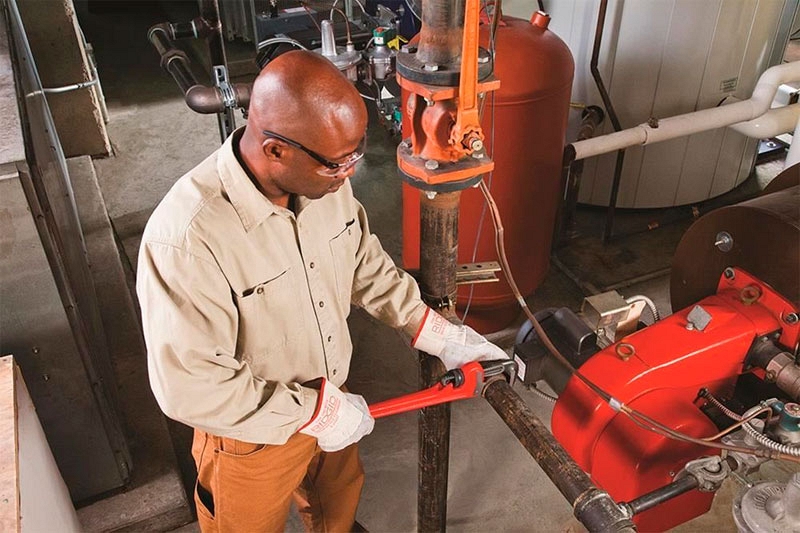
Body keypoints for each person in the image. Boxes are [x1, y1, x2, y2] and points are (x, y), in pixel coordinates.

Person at [137, 50, 507, 532]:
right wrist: (312, 411)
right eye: (337, 164)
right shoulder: (187, 239)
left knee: (336, 508)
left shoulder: (323, 183)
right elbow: (191, 385)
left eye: (355, 155)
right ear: (276, 150)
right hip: (249, 434)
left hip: (331, 394)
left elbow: (360, 259)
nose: (349, 172)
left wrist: (433, 330)